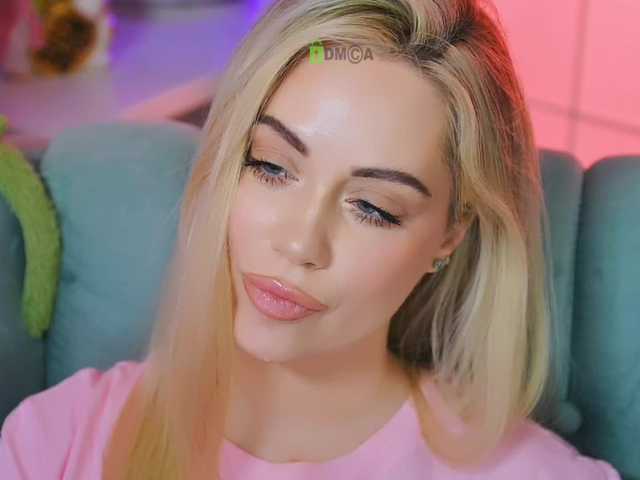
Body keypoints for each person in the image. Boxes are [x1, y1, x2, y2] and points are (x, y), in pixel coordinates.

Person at [0, 0, 624, 479]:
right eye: (271, 166)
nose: (300, 243)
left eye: (374, 208)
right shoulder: (57, 441)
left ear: (449, 236)